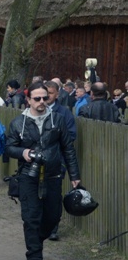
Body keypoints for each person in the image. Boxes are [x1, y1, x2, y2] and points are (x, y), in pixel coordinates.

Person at [5, 81, 81, 260]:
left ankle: (36, 239)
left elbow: (68, 148)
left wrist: (74, 175)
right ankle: (34, 257)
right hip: (27, 176)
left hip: (53, 174)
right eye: (37, 98)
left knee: (53, 216)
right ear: (28, 99)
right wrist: (23, 152)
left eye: (44, 98)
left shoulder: (57, 120)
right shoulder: (18, 123)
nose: (41, 101)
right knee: (31, 217)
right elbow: (9, 148)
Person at [44, 80, 77, 241]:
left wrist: (53, 140)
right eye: (45, 92)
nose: (47, 96)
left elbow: (71, 135)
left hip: (57, 160)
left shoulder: (64, 113)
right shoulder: (37, 109)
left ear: (57, 94)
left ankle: (53, 228)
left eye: (50, 93)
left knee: (54, 196)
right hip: (39, 160)